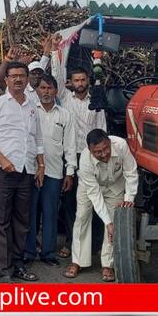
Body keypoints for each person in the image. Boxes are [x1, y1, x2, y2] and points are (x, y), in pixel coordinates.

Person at [0, 61, 45, 283]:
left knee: (22, 221)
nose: (18, 79)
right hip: (3, 171)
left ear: (27, 79)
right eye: (13, 76)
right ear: (6, 79)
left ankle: (18, 264)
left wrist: (40, 166)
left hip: (27, 171)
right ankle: (4, 269)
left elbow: (37, 139)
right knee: (0, 221)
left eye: (22, 75)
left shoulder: (32, 107)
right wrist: (2, 160)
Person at [50, 35, 108, 258]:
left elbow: (103, 131)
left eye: (83, 80)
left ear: (88, 80)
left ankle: (96, 244)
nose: (80, 84)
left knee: (95, 200)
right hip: (71, 157)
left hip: (93, 157)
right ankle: (71, 242)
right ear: (70, 83)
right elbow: (57, 74)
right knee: (70, 202)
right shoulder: (64, 99)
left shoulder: (97, 101)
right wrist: (56, 52)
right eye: (76, 80)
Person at [64, 129, 138, 282]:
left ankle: (107, 264)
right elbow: (95, 195)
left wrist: (129, 198)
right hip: (90, 187)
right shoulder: (85, 160)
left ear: (110, 142)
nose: (104, 154)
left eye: (106, 149)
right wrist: (107, 222)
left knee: (113, 223)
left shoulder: (121, 145)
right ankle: (77, 261)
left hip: (115, 185)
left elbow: (131, 172)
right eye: (98, 152)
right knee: (82, 217)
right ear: (90, 151)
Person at [25, 74, 76, 267]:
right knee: (30, 213)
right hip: (31, 170)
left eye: (50, 88)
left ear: (56, 91)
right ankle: (28, 252)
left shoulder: (64, 115)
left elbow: (70, 145)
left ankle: (48, 253)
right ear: (36, 90)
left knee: (50, 213)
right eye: (43, 88)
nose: (46, 92)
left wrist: (69, 172)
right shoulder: (30, 111)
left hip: (54, 172)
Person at [0, 35, 52, 105]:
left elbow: (42, 64)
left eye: (27, 54)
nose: (37, 76)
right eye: (23, 54)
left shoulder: (41, 83)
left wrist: (47, 51)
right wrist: (8, 59)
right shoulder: (19, 86)